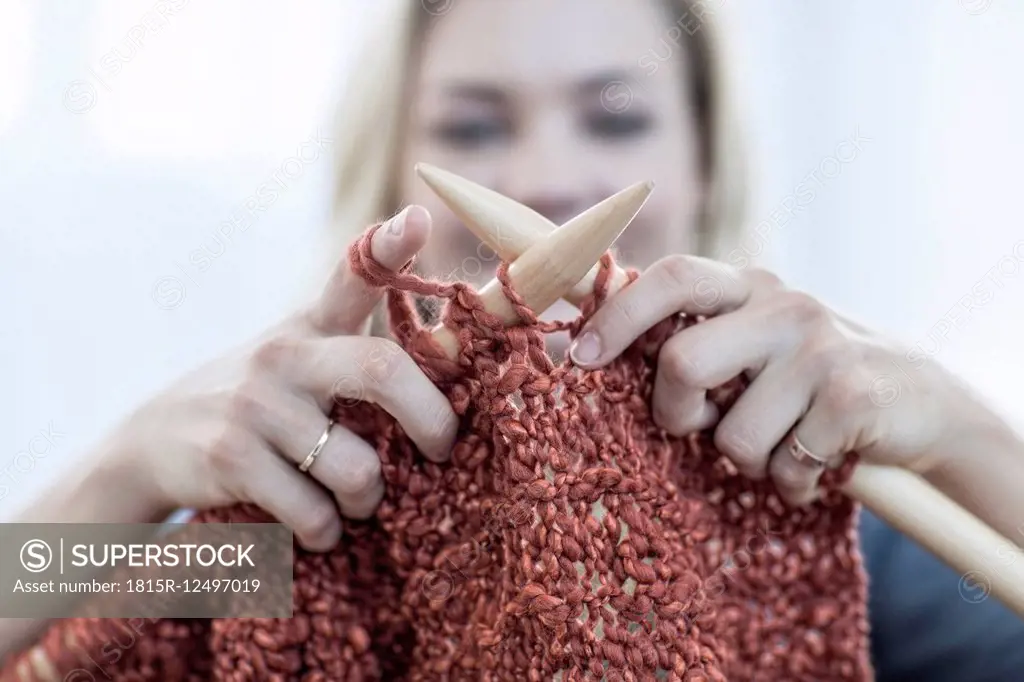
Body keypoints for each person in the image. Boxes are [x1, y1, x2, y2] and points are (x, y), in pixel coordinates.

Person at [3, 0, 1023, 678]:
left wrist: (965, 437)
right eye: (474, 128)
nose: (543, 177)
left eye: (614, 120)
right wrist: (121, 474)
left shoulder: (805, 511)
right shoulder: (313, 511)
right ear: (393, 165)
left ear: (704, 164)